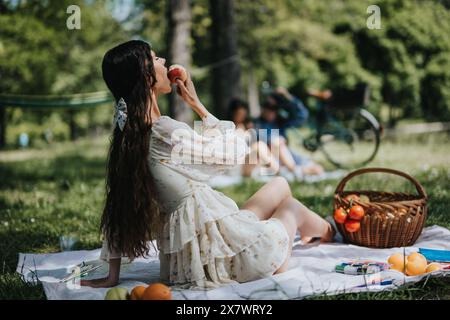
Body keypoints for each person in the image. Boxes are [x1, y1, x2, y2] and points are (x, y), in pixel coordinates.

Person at [80, 40, 334, 289]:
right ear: (147, 77)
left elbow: (118, 207)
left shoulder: (131, 132)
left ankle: (313, 231)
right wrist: (197, 104)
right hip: (226, 261)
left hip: (203, 243)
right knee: (289, 206)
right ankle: (331, 229)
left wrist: (112, 276)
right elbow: (234, 153)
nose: (164, 62)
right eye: (156, 59)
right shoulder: (164, 130)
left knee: (279, 183)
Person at [254, 87, 325, 178]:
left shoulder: (280, 122)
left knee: (318, 169)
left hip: (286, 156)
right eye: (268, 107)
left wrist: (288, 97)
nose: (271, 111)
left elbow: (302, 115)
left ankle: (296, 171)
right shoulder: (256, 124)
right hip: (271, 160)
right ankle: (295, 171)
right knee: (277, 142)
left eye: (274, 108)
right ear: (263, 108)